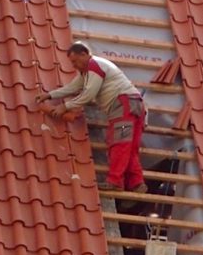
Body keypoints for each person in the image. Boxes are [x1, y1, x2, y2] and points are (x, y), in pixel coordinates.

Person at [36, 42, 147, 194]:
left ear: (84, 54)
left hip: (123, 107)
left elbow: (88, 94)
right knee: (130, 147)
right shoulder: (90, 70)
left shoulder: (94, 66)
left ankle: (115, 181)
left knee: (119, 143)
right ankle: (137, 183)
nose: (74, 66)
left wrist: (65, 106)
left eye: (75, 61)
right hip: (135, 106)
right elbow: (73, 88)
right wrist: (50, 95)